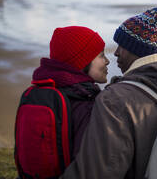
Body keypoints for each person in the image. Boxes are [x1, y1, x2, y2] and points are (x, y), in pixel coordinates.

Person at [61, 2, 157, 178]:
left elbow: (97, 172)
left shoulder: (115, 99)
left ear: (136, 49)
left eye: (121, 46)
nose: (115, 54)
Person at [31, 25, 110, 158]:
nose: (107, 61)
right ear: (82, 61)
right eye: (101, 55)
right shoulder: (84, 103)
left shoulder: (42, 91)